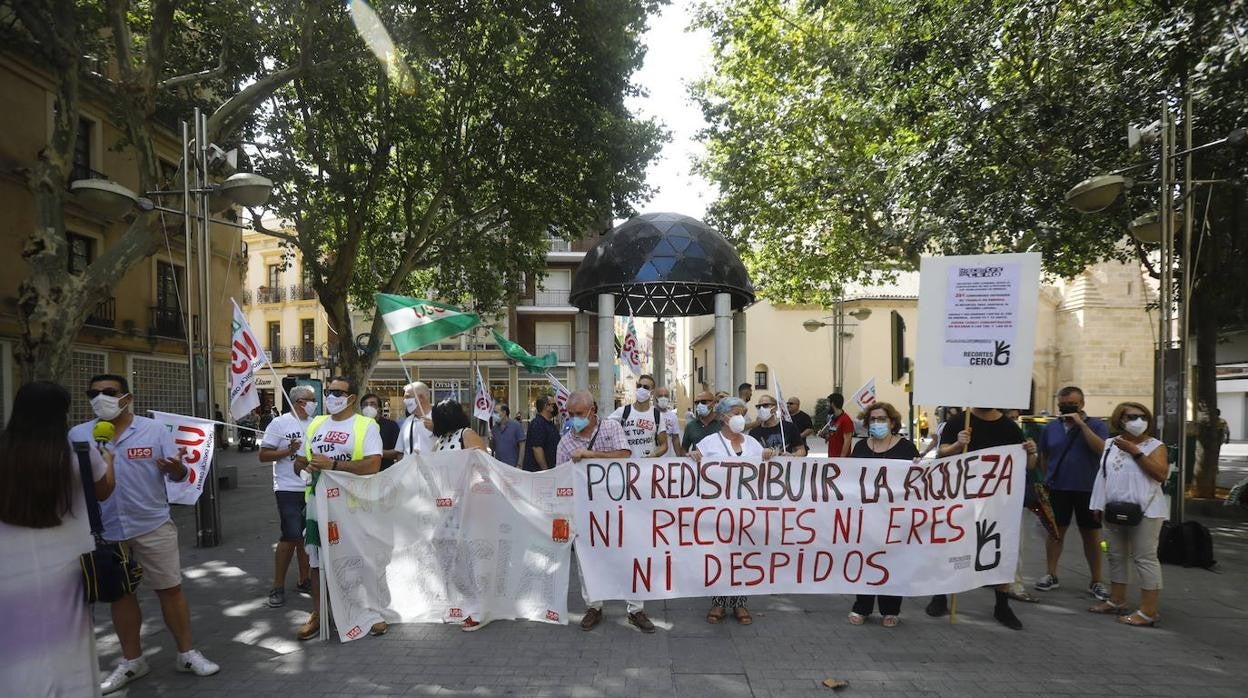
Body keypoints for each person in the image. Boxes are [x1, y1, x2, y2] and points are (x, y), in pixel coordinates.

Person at [67, 374, 219, 692]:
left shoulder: (153, 430)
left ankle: (186, 653)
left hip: (152, 524)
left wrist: (175, 468)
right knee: (120, 595)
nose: (100, 398)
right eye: (92, 393)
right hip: (104, 532)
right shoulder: (79, 435)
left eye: (109, 392)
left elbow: (181, 475)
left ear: (127, 398)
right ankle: (132, 661)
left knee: (170, 589)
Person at [1, 381, 115, 697]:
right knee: (69, 638)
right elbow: (103, 490)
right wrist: (110, 462)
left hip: (7, 569)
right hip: (68, 566)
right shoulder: (79, 453)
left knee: (13, 639)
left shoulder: (4, 453)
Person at [926, 407, 1037, 630]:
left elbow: (1028, 465)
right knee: (952, 546)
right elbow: (941, 454)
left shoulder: (1009, 427)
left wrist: (1032, 452)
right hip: (961, 497)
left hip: (998, 502)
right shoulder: (959, 421)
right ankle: (940, 595)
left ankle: (1002, 605)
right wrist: (958, 444)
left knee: (1000, 548)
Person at [293, 376, 384, 641]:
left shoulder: (365, 425)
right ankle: (318, 614)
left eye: (337, 392)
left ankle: (371, 612)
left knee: (359, 560)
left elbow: (373, 465)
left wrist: (334, 465)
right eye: (329, 391)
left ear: (352, 398)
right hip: (318, 506)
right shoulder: (317, 424)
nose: (331, 396)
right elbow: (299, 462)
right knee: (317, 561)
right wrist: (305, 467)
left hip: (354, 507)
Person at [557, 391, 655, 633]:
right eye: (571, 415)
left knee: (629, 556)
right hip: (586, 513)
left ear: (593, 411)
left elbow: (624, 455)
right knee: (587, 560)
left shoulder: (611, 428)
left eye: (579, 414)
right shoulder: (565, 443)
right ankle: (593, 606)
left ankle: (635, 609)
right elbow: (561, 479)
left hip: (621, 510)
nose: (574, 419)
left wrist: (590, 456)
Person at [691, 397, 777, 625]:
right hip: (717, 513)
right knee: (720, 556)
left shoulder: (752, 444)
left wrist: (768, 458)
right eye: (736, 412)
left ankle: (739, 603)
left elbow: (765, 475)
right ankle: (719, 602)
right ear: (722, 416)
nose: (741, 417)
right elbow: (692, 474)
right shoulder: (708, 443)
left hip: (747, 512)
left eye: (743, 412)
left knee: (742, 556)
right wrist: (693, 458)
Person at [1088, 402, 1168, 627]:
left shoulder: (1155, 445)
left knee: (1145, 558)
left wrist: (1136, 452)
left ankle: (1149, 611)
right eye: (1132, 416)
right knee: (1115, 555)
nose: (1138, 421)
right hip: (1113, 509)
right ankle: (1117, 599)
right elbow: (1103, 475)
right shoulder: (1110, 444)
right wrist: (1097, 504)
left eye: (1142, 417)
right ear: (1120, 420)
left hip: (1146, 511)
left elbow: (1160, 474)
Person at [1034, 387, 1110, 601]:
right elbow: (1044, 455)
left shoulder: (1097, 425)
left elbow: (1102, 449)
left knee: (1091, 535)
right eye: (1062, 404)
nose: (1066, 408)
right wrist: (1047, 477)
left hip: (1088, 489)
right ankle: (1051, 574)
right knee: (1055, 532)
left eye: (1072, 404)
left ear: (1082, 404)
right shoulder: (1051, 428)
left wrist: (1081, 424)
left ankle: (1096, 580)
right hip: (1058, 488)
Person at [848, 402, 917, 628]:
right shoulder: (860, 448)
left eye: (882, 419)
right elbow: (848, 479)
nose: (877, 423)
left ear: (893, 422)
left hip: (895, 517)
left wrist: (919, 467)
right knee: (865, 560)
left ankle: (891, 609)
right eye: (873, 419)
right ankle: (862, 606)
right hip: (866, 516)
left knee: (892, 560)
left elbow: (917, 481)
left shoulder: (906, 448)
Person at [258, 385, 316, 609]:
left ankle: (305, 579)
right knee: (290, 536)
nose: (314, 403)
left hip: (311, 487)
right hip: (287, 487)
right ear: (299, 401)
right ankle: (277, 585)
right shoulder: (279, 423)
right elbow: (263, 455)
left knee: (305, 535)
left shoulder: (316, 423)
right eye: (311, 400)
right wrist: (289, 451)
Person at [607, 374, 668, 458]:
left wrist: (654, 455)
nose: (641, 389)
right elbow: (604, 428)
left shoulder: (657, 415)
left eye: (645, 387)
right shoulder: (622, 412)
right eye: (639, 386)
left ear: (652, 392)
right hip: (625, 466)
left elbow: (664, 445)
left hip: (647, 467)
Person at [361, 393, 401, 470]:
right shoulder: (356, 425)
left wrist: (375, 452)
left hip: (385, 472)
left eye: (372, 404)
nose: (368, 407)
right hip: (361, 472)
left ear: (379, 408)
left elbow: (398, 452)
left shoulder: (391, 425)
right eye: (365, 404)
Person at [524, 395, 561, 471]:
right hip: (539, 473)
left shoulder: (549, 424)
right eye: (553, 404)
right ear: (546, 406)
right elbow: (537, 449)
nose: (556, 407)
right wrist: (546, 470)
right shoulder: (537, 424)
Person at [397, 381, 433, 456]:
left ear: (421, 397)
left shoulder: (439, 418)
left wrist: (435, 428)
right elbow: (400, 452)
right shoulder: (407, 422)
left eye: (407, 397)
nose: (405, 401)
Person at [817, 392, 854, 457]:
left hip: (840, 459)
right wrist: (823, 435)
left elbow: (847, 442)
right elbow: (833, 436)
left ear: (833, 404)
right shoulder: (833, 418)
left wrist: (841, 459)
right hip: (832, 457)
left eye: (828, 403)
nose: (827, 406)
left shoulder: (846, 420)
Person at [653, 386, 683, 456]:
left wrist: (679, 458)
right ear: (655, 398)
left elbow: (675, 438)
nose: (663, 398)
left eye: (666, 396)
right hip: (650, 458)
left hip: (666, 459)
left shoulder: (673, 416)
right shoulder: (649, 413)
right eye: (660, 396)